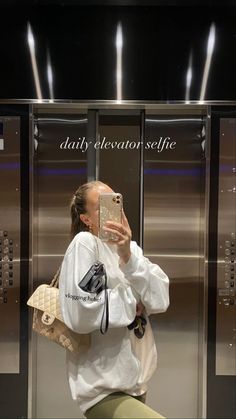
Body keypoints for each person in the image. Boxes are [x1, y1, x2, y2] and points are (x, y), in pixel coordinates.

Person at [59, 180, 170, 419]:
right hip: (102, 388)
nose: (113, 211)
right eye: (101, 206)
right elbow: (82, 310)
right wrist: (133, 300)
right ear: (86, 218)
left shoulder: (132, 250)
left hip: (136, 384)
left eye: (115, 202)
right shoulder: (85, 245)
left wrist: (127, 254)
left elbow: (160, 299)